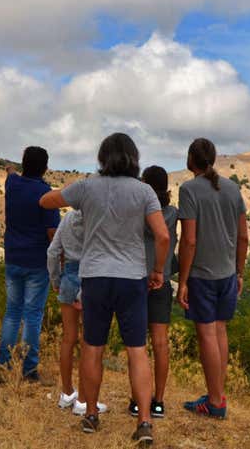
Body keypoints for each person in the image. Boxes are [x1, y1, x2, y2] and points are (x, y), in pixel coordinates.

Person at [40, 133, 170, 446]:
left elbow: (46, 201)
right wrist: (157, 271)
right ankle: (144, 421)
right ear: (134, 158)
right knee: (136, 350)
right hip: (132, 278)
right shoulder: (144, 191)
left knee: (92, 347)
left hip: (95, 277)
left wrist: (63, 193)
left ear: (102, 158)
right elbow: (163, 237)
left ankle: (90, 416)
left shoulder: (87, 187)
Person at [176, 138, 248, 419]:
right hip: (228, 273)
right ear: (213, 159)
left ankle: (216, 402)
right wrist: (240, 272)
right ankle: (217, 393)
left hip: (202, 276)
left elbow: (189, 241)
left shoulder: (189, 190)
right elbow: (243, 237)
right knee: (220, 331)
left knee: (207, 334)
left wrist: (182, 282)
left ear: (190, 159)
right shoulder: (232, 188)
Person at [0, 146, 60, 382]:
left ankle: (4, 368)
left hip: (13, 257)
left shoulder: (12, 185)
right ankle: (30, 369)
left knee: (12, 313)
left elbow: (10, 172)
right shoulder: (46, 194)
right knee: (33, 315)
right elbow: (52, 233)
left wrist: (11, 169)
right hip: (37, 261)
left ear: (24, 164)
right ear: (45, 167)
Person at [127, 166, 179, 419]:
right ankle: (158, 401)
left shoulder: (137, 214)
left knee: (138, 345)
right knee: (160, 343)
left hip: (136, 279)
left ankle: (137, 400)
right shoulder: (173, 215)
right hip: (162, 281)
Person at [47, 209, 107, 416]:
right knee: (88, 343)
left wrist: (55, 279)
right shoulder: (97, 217)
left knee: (68, 338)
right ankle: (83, 400)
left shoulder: (69, 218)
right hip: (92, 276)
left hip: (69, 276)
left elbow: (53, 252)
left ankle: (66, 393)